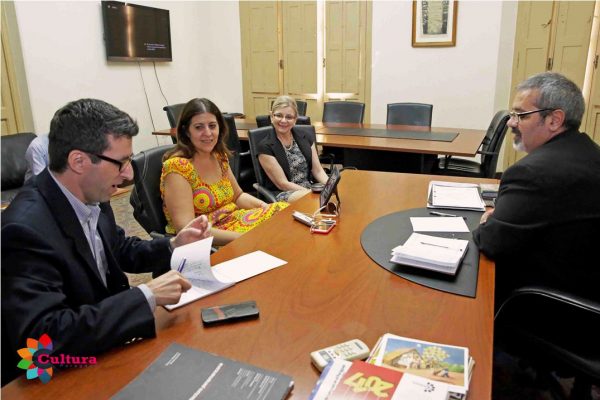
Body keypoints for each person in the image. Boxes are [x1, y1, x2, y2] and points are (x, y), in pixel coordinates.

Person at [1, 99, 211, 386]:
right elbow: (42, 342)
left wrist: (173, 244)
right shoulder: (24, 230)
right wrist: (144, 296)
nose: (129, 174)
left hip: (105, 344)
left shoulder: (92, 192)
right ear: (78, 161)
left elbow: (117, 249)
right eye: (121, 162)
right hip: (58, 374)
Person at [473, 72, 600, 305]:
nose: (511, 123)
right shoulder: (588, 150)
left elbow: (491, 241)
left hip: (546, 306)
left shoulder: (533, 173)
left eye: (520, 115)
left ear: (554, 120)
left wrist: (488, 221)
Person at [160, 98, 288, 246]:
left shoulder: (219, 156)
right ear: (186, 131)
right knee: (273, 239)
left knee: (283, 212)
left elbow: (238, 196)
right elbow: (187, 229)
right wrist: (243, 237)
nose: (208, 133)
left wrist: (264, 207)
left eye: (212, 126)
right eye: (199, 127)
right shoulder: (177, 167)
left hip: (233, 220)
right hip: (208, 237)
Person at [257, 95, 329, 202]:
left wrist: (330, 185)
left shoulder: (305, 137)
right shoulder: (265, 147)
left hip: (307, 188)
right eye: (279, 115)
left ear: (295, 119)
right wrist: (311, 193)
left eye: (289, 117)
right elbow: (282, 184)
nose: (283, 120)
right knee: (317, 201)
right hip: (284, 193)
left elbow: (318, 171)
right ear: (272, 116)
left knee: (331, 197)